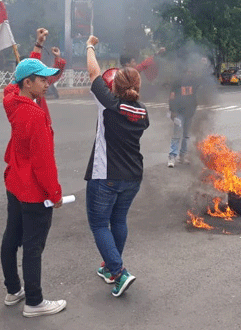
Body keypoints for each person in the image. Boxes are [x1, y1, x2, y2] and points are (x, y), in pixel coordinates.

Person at [0, 57, 67, 317]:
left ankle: (13, 289)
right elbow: (43, 163)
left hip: (15, 182)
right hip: (33, 190)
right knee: (32, 246)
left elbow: (12, 82)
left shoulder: (12, 100)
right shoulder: (35, 114)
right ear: (27, 83)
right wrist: (55, 193)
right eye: (42, 79)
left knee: (11, 237)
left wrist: (35, 53)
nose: (48, 83)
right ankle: (35, 302)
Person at [84, 34, 150, 297]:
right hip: (133, 176)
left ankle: (119, 272)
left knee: (100, 225)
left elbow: (93, 71)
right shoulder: (142, 111)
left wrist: (90, 46)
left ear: (114, 87)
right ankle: (111, 267)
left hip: (106, 176)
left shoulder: (108, 105)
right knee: (119, 220)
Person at [167, 56, 204, 168]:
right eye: (187, 71)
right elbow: (172, 97)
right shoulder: (177, 82)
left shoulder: (193, 81)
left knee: (186, 135)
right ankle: (172, 157)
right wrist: (172, 111)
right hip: (178, 112)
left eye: (190, 72)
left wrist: (202, 65)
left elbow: (202, 78)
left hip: (190, 113)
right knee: (176, 135)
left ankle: (182, 156)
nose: (189, 73)